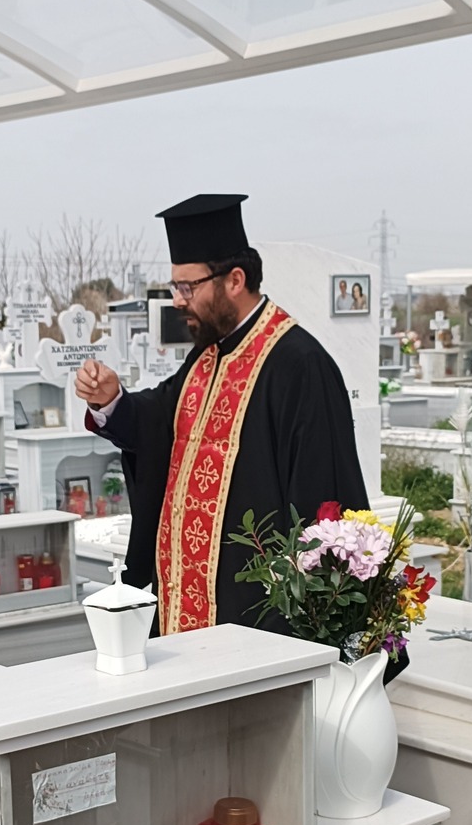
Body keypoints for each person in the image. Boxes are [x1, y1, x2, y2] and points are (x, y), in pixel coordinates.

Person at [73, 195, 365, 633]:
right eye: (175, 287)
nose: (177, 301)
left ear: (235, 280)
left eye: (187, 287)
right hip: (182, 602)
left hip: (256, 617)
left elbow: (322, 499)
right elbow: (160, 425)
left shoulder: (300, 365)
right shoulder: (207, 356)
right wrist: (111, 400)